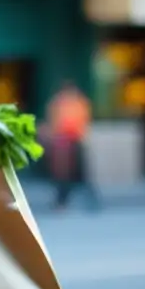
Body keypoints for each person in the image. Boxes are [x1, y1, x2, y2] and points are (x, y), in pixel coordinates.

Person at [47, 80, 99, 211]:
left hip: (75, 140)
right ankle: (62, 202)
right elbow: (54, 122)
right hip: (64, 141)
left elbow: (84, 121)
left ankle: (90, 202)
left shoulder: (79, 103)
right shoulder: (59, 103)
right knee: (64, 175)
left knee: (81, 174)